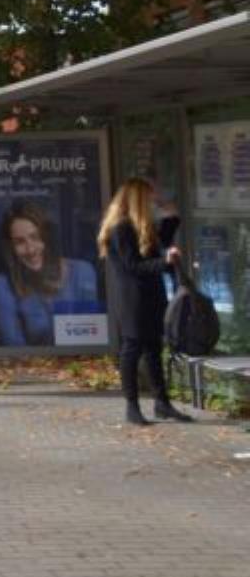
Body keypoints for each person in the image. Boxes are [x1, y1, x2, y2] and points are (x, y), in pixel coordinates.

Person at [97, 177, 193, 426]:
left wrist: (170, 215)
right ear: (138, 200)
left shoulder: (141, 226)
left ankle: (162, 403)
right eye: (150, 198)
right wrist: (165, 262)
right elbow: (134, 266)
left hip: (152, 294)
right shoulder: (121, 228)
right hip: (133, 298)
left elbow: (161, 242)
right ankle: (132, 406)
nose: (154, 203)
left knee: (153, 348)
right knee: (132, 347)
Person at [0, 201, 100, 347]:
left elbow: (90, 337)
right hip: (32, 362)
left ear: (47, 237)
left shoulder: (83, 272)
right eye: (19, 242)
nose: (30, 250)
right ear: (11, 248)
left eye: (35, 237)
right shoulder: (4, 284)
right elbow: (13, 344)